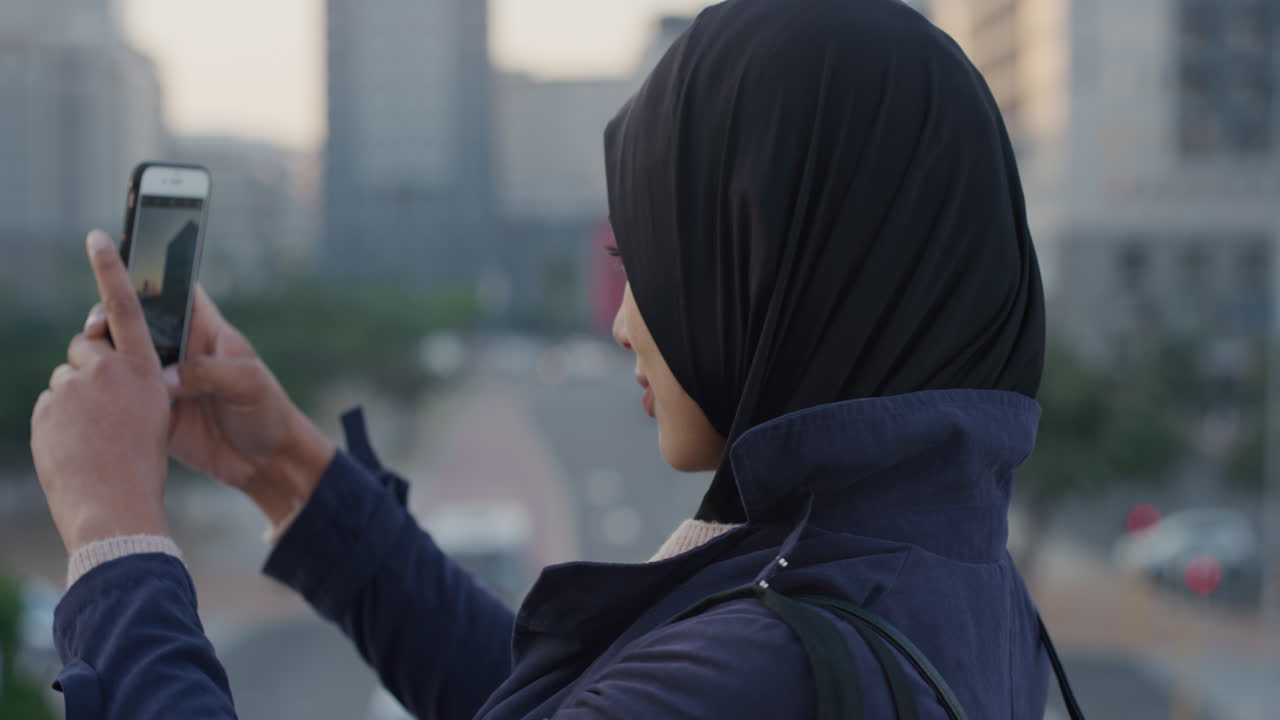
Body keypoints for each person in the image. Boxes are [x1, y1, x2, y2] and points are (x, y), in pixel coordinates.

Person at [30, 0, 1058, 717]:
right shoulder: (937, 568)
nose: (623, 323)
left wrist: (115, 537)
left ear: (770, 269)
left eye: (651, 259)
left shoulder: (763, 665)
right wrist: (283, 466)